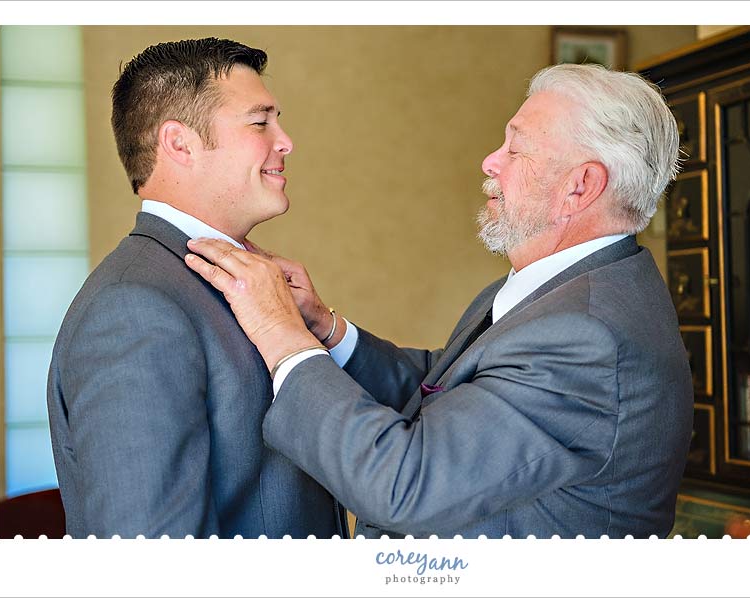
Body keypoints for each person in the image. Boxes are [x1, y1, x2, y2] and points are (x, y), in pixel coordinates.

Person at [186, 63, 694, 539]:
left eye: (515, 150)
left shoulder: (588, 335)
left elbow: (405, 485)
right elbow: (450, 390)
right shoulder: (555, 289)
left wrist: (282, 336)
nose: (490, 161)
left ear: (580, 187)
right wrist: (326, 330)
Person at [46, 38, 347, 539]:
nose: (286, 140)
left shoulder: (241, 279)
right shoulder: (134, 308)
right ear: (179, 143)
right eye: (260, 122)